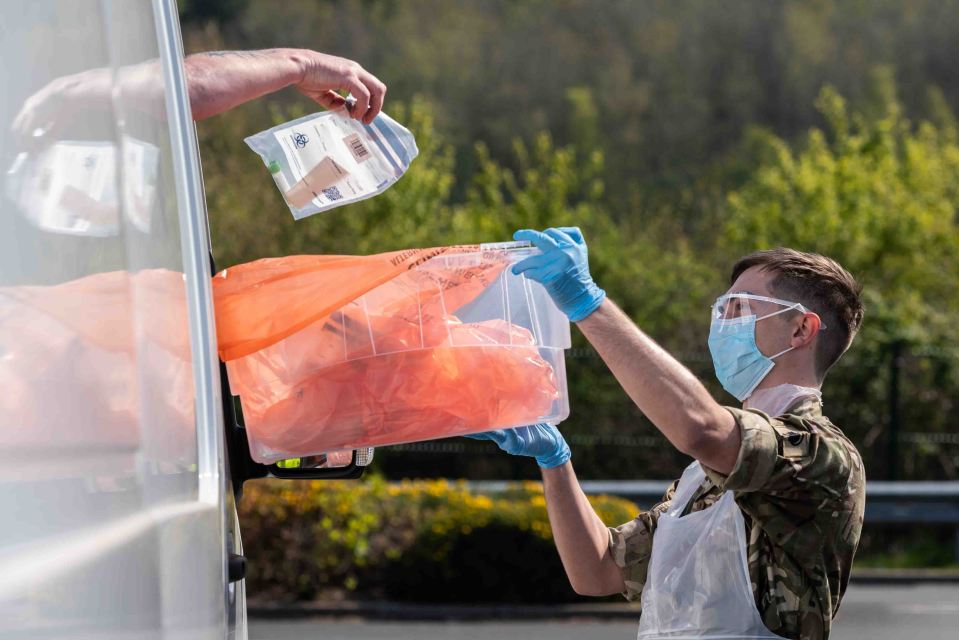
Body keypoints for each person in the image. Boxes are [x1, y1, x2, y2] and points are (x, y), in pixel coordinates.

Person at [469, 228, 866, 640]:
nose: (721, 322)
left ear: (801, 330)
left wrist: (589, 305)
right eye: (721, 308)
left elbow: (701, 428)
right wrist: (555, 461)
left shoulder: (821, 452)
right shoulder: (700, 480)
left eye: (739, 308)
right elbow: (598, 570)